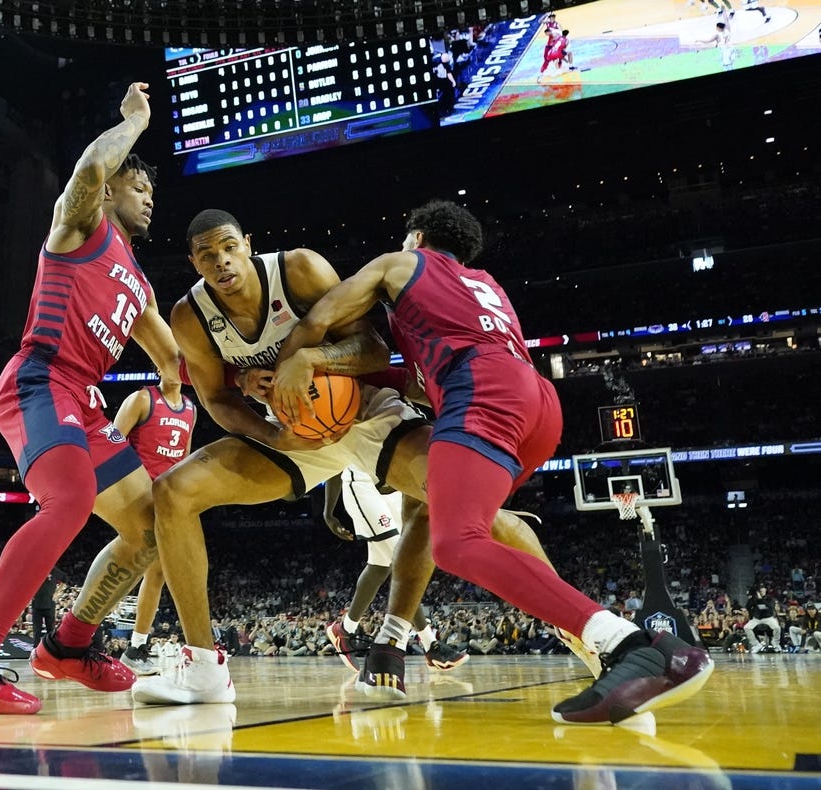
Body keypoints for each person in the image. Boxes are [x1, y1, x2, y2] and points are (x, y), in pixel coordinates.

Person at [271, 199, 713, 725]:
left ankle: (633, 646)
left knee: (459, 542)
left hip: (483, 394)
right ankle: (394, 642)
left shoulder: (398, 263)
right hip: (537, 404)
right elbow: (418, 382)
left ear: (416, 237)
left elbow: (322, 316)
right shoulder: (486, 285)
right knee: (430, 507)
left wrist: (293, 366)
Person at [131, 208, 562, 706]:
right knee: (172, 493)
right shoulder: (190, 315)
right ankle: (204, 668)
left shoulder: (298, 270)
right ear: (194, 262)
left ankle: (592, 633)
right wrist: (272, 436)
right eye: (207, 255)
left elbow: (374, 349)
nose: (221, 261)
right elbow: (216, 400)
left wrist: (314, 359)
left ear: (247, 244)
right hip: (295, 434)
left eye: (229, 247)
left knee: (470, 513)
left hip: (363, 411)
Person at [0, 81, 182, 715]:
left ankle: (69, 646)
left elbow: (174, 361)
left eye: (152, 192)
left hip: (84, 400)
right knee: (70, 500)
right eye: (140, 186)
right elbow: (92, 167)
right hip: (41, 378)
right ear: (116, 187)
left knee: (152, 527)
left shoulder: (138, 281)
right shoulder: (81, 224)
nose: (150, 198)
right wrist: (134, 125)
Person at [323, 465, 465, 672]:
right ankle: (430, 644)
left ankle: (345, 629)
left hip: (395, 487)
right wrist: (328, 511)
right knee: (404, 562)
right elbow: (334, 459)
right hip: (363, 486)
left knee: (379, 567)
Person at [112, 377, 197, 676]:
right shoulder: (142, 399)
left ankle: (136, 647)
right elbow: (110, 442)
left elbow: (184, 460)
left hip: (166, 500)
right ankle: (84, 634)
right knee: (130, 566)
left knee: (156, 572)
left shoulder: (190, 408)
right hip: (137, 495)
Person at [743, 583, 781, 653]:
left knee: (777, 628)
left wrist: (761, 599)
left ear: (765, 590)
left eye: (763, 589)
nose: (761, 591)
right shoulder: (754, 599)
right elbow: (748, 607)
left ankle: (775, 643)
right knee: (746, 627)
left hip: (768, 618)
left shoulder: (770, 598)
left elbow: (771, 606)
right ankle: (756, 644)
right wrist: (751, 598)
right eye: (760, 590)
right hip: (757, 619)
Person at [31, 573, 58, 647]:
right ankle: (35, 647)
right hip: (37, 605)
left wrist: (57, 593)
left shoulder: (55, 572)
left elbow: (64, 580)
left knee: (50, 629)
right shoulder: (36, 573)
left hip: (49, 606)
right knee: (37, 629)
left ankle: (51, 647)